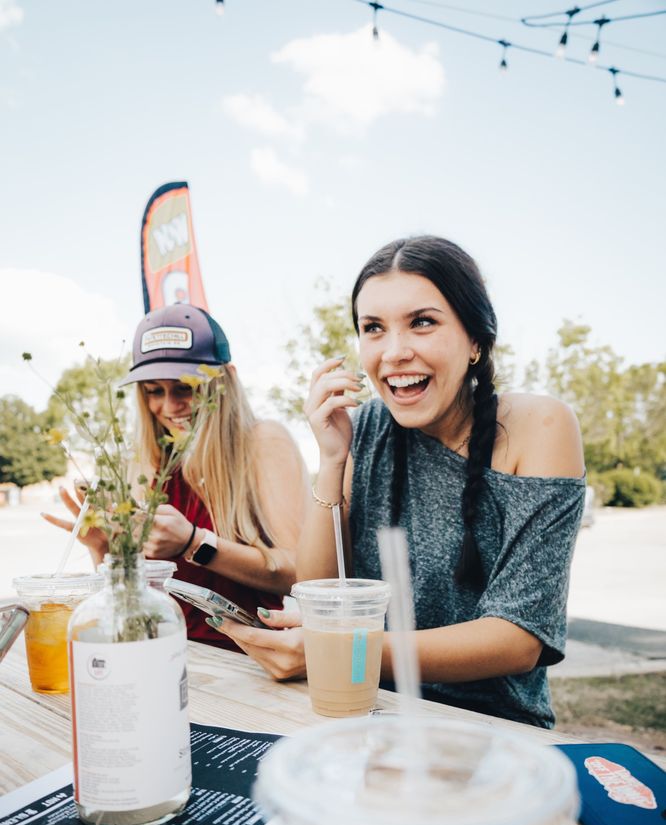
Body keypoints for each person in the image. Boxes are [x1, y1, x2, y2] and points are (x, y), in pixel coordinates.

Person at [210, 236, 586, 727]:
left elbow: (520, 639)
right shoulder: (364, 427)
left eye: (422, 322)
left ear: (475, 339)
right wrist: (331, 458)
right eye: (373, 329)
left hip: (491, 733)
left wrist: (343, 649)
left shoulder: (541, 427)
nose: (394, 352)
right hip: (368, 712)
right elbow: (316, 587)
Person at [44, 303, 309, 650]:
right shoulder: (137, 464)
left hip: (246, 661)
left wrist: (195, 544)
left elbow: (299, 575)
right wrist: (103, 550)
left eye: (185, 387)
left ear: (224, 380)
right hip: (154, 651)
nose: (169, 406)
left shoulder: (261, 442)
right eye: (154, 390)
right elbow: (128, 602)